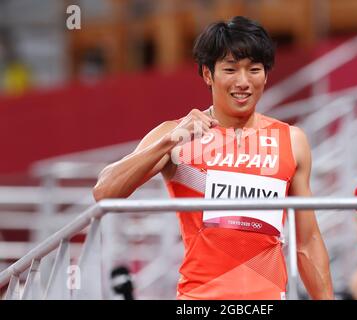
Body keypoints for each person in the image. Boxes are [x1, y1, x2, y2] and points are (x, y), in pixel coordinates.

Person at [93, 16, 333, 300]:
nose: (243, 82)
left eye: (254, 70)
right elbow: (105, 191)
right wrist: (169, 141)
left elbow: (308, 242)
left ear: (266, 75)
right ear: (208, 74)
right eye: (230, 69)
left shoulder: (292, 140)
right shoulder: (175, 135)